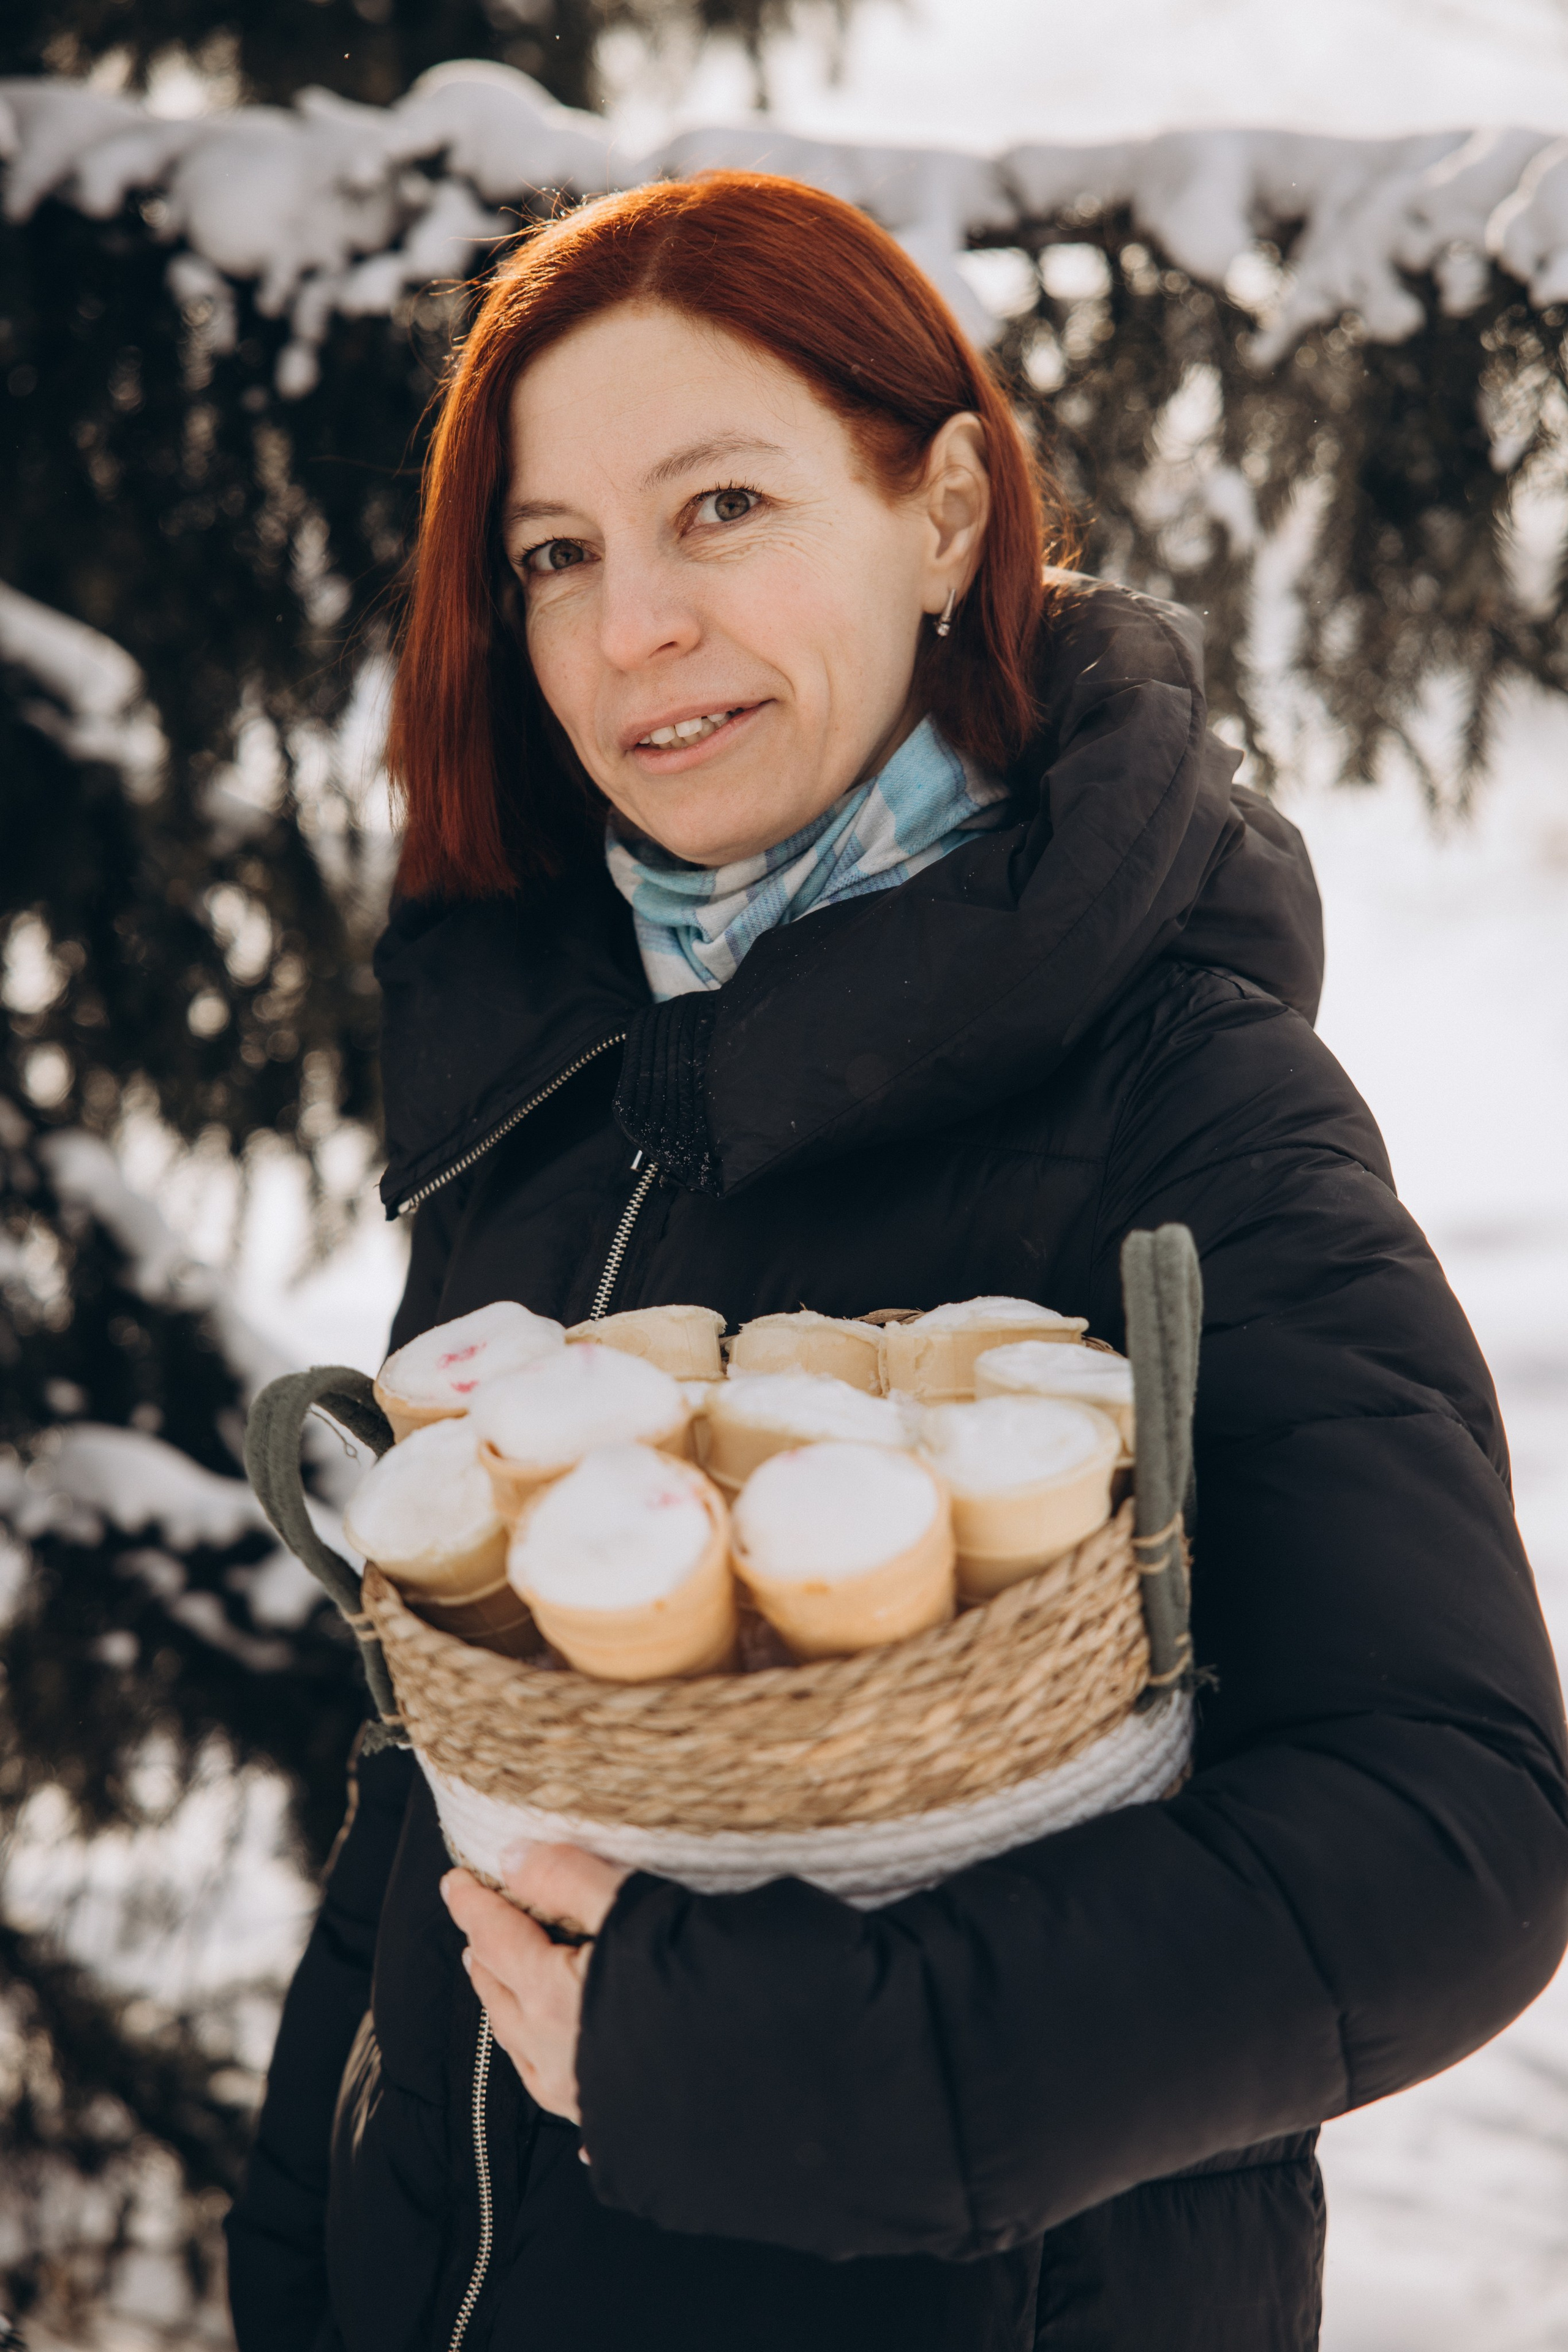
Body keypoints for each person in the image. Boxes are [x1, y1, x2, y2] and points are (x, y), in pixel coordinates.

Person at [225, 172, 1568, 2352]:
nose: (626, 625)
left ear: (947, 516)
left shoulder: (1184, 1107)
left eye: (721, 507)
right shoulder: (547, 1107)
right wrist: (302, 2253)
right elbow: (448, 1772)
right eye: (555, 555)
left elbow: (1458, 1830)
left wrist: (789, 2068)